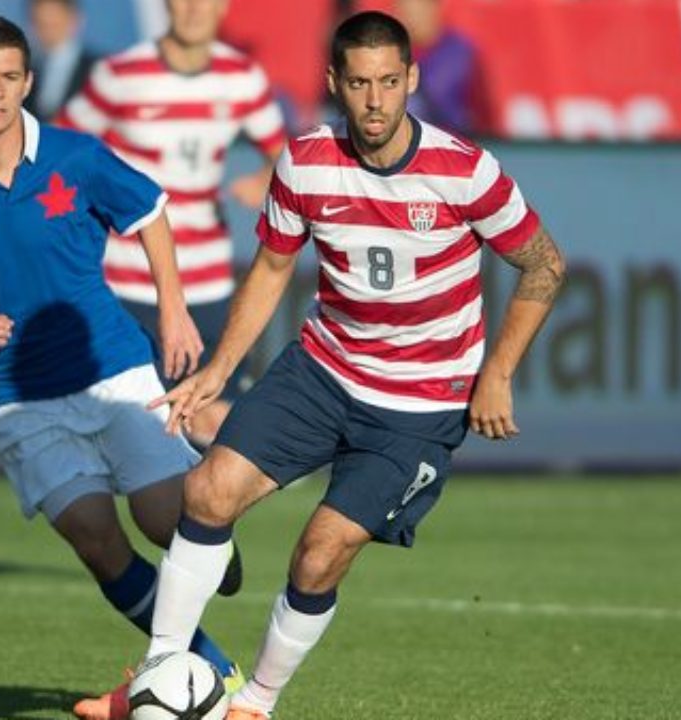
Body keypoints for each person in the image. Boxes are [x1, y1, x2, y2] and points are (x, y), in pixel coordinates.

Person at [76, 10, 566, 720]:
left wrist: (496, 372)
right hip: (323, 372)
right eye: (360, 83)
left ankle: (255, 705)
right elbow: (274, 268)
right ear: (335, 82)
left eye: (390, 82)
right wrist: (219, 369)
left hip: (419, 406)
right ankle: (159, 676)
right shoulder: (305, 159)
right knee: (208, 491)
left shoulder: (463, 170)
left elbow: (545, 265)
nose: (375, 101)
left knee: (319, 553)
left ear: (412, 80)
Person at [0, 14, 245, 719]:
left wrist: (174, 310)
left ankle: (212, 543)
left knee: (162, 520)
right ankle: (209, 667)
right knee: (94, 538)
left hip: (113, 369)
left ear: (27, 82)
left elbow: (148, 213)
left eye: (7, 77)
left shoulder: (75, 155)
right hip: (22, 396)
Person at [60, 0, 287, 447]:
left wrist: (265, 179)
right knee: (142, 435)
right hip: (131, 283)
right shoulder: (120, 75)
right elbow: (62, 150)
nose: (194, 9)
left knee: (213, 427)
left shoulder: (242, 77)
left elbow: (284, 156)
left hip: (208, 282)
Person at [394, 0, 491, 137]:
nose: (412, 17)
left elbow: (485, 115)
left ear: (435, 8)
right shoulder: (390, 55)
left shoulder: (461, 53)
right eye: (406, 10)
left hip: (453, 145)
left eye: (419, 9)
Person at [24, 0, 98, 120]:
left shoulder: (98, 69)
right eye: (40, 24)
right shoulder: (25, 71)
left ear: (74, 20)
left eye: (54, 24)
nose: (47, 31)